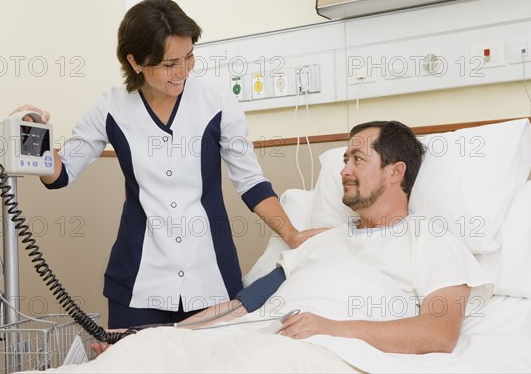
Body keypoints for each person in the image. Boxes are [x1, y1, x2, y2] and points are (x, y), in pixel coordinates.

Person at [13, 0, 320, 329]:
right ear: (135, 61)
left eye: (189, 57)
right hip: (137, 283)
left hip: (211, 279)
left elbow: (251, 183)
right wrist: (31, 134)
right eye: (169, 63)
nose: (182, 72)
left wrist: (292, 234)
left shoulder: (216, 102)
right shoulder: (111, 108)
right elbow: (61, 174)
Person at [163, 120, 492, 355]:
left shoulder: (430, 240)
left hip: (328, 351)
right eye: (345, 159)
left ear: (396, 172)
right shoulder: (324, 241)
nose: (345, 170)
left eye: (358, 160)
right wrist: (165, 334)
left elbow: (439, 333)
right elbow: (244, 304)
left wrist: (333, 328)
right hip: (262, 341)